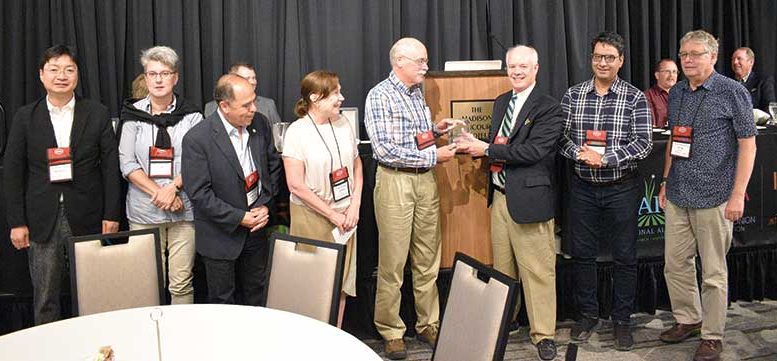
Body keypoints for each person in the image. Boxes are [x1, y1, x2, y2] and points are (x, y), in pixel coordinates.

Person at [457, 45, 563, 361]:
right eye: (511, 66)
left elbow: (533, 153)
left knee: (538, 272)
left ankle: (544, 334)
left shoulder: (548, 107)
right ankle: (507, 321)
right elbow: (500, 145)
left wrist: (486, 148)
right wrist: (475, 149)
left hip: (530, 201)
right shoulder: (502, 102)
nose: (516, 72)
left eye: (522, 67)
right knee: (504, 269)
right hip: (501, 200)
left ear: (536, 69)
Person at [3, 45, 121, 324]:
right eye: (54, 69)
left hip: (89, 215)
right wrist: (16, 222)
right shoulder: (24, 117)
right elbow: (13, 172)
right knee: (45, 297)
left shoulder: (97, 113)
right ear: (41, 75)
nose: (61, 76)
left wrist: (111, 214)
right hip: (42, 219)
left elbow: (110, 168)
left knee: (93, 292)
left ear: (77, 75)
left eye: (69, 69)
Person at [659, 30, 757, 361]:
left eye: (695, 54)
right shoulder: (676, 94)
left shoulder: (732, 92)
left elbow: (748, 144)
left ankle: (712, 335)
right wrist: (664, 181)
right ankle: (688, 318)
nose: (687, 59)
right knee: (675, 265)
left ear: (713, 57)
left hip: (716, 195)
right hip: (678, 193)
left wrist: (738, 194)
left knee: (713, 273)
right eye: (683, 54)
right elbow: (675, 138)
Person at [364, 37, 460, 360]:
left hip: (425, 183)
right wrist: (436, 156)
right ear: (399, 62)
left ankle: (428, 323)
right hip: (395, 183)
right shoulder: (379, 96)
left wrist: (436, 131)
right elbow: (385, 150)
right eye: (420, 61)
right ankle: (391, 329)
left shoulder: (416, 94)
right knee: (392, 261)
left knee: (427, 257)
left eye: (425, 61)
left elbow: (414, 141)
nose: (425, 67)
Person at [558, 31, 652, 351]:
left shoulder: (635, 97)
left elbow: (643, 143)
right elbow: (561, 137)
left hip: (621, 187)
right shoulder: (573, 95)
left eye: (609, 57)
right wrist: (580, 155)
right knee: (583, 254)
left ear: (620, 61)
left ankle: (622, 320)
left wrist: (606, 157)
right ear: (591, 58)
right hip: (582, 187)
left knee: (625, 256)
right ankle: (587, 315)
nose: (602, 62)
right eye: (598, 56)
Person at [182, 74, 281, 305]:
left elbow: (271, 168)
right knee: (222, 302)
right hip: (220, 236)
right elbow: (199, 193)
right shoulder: (197, 139)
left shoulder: (260, 124)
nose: (254, 109)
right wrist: (240, 218)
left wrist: (265, 205)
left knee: (257, 295)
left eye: (254, 101)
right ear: (224, 106)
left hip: (256, 229)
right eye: (246, 105)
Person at [118, 46, 202, 304]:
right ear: (145, 78)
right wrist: (161, 193)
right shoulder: (132, 115)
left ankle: (180, 339)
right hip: (144, 212)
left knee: (181, 283)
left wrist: (174, 188)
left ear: (175, 77)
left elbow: (197, 161)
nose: (158, 79)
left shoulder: (192, 116)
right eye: (151, 74)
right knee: (147, 283)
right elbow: (127, 163)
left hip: (183, 210)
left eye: (164, 73)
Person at [282, 70, 362, 328]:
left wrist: (355, 205)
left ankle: (335, 336)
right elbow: (296, 185)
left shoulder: (344, 124)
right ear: (315, 98)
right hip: (313, 216)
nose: (342, 97)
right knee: (313, 283)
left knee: (342, 282)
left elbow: (357, 165)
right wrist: (332, 215)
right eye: (336, 92)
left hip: (347, 216)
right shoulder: (297, 132)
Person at [204, 63, 283, 127]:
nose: (252, 82)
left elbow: (277, 134)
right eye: (247, 78)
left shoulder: (268, 105)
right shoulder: (211, 108)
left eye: (254, 78)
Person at [730, 47, 776, 113]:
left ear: (751, 62)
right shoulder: (726, 82)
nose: (735, 62)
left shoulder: (763, 81)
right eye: (733, 59)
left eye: (739, 59)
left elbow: (770, 107)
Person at [645, 59, 679, 128]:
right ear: (657, 75)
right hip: (660, 138)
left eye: (674, 72)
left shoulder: (684, 95)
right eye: (667, 72)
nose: (671, 75)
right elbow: (650, 126)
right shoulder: (647, 97)